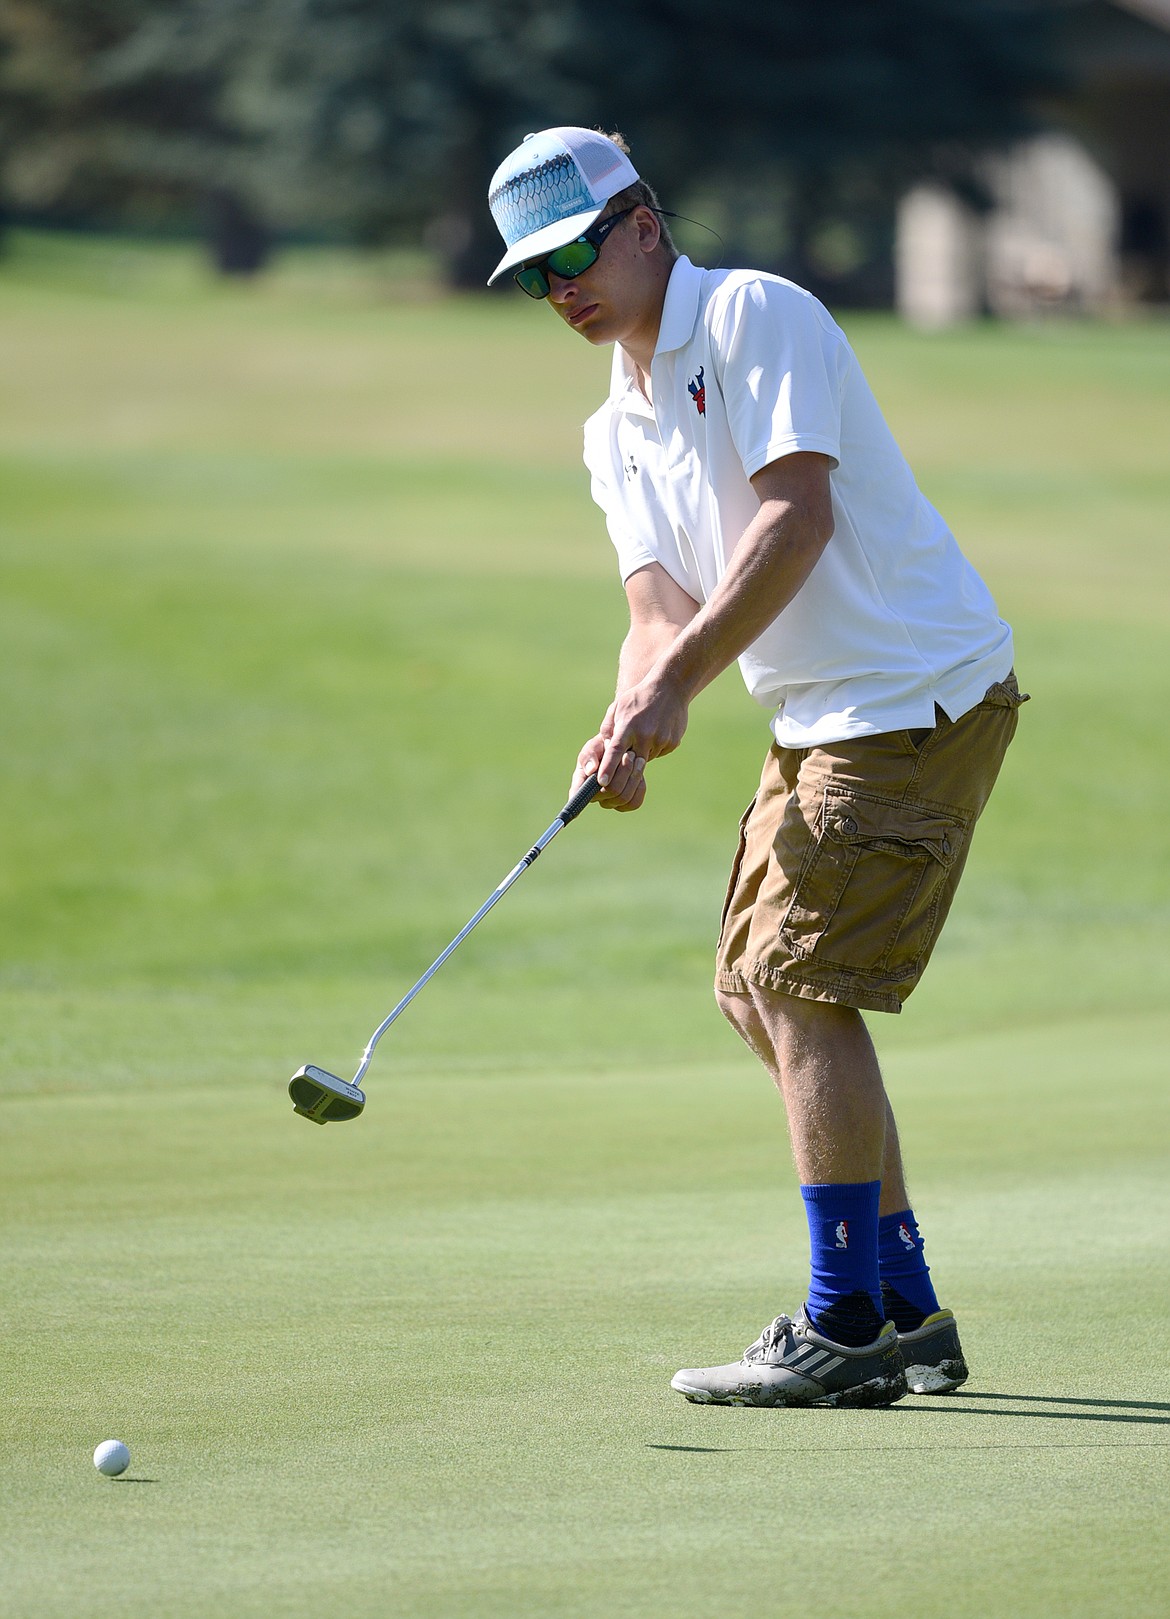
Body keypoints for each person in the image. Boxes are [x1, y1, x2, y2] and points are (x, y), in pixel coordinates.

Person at [486, 127, 1026, 1408]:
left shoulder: (752, 316)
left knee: (795, 984)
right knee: (753, 989)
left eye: (575, 252)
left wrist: (678, 686)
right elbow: (656, 603)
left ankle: (844, 1323)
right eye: (532, 273)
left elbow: (796, 514)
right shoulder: (611, 426)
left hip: (910, 693)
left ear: (645, 223)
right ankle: (904, 1304)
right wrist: (629, 707)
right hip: (822, 714)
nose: (563, 286)